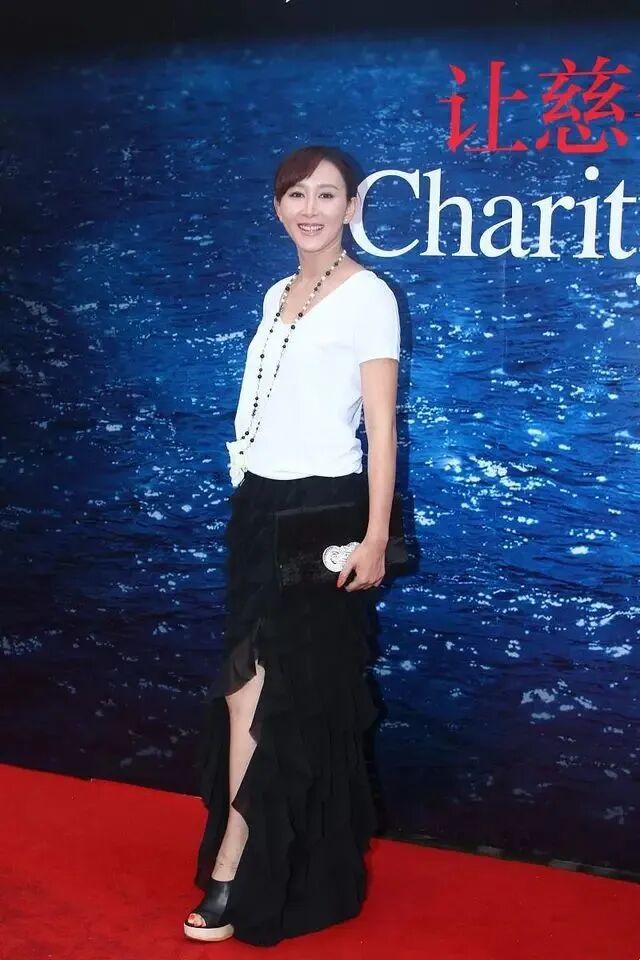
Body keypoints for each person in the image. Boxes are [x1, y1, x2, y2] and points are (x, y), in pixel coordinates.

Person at [183, 144, 401, 947]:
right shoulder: (277, 293)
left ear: (352, 207)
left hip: (324, 512)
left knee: (288, 694)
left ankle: (239, 870)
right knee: (243, 689)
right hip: (260, 506)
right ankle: (241, 859)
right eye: (296, 194)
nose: (310, 209)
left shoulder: (370, 296)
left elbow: (381, 427)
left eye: (327, 194)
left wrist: (375, 535)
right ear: (277, 206)